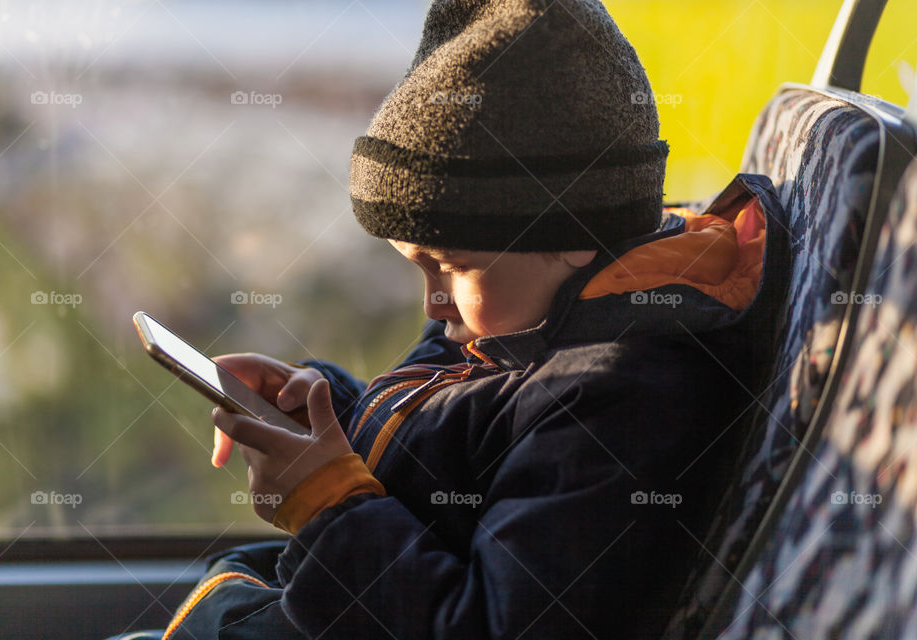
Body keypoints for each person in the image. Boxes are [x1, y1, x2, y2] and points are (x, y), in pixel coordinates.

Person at [109, 0, 789, 638]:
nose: (433, 305)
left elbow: (488, 623)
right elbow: (454, 454)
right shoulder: (526, 316)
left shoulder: (623, 404)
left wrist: (327, 504)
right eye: (418, 268)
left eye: (453, 266)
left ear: (573, 232)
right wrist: (325, 411)